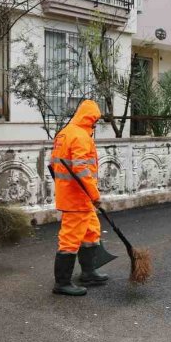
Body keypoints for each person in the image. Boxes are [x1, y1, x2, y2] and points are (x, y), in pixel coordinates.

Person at [49, 99, 110, 296]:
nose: (95, 125)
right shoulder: (80, 136)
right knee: (70, 238)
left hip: (74, 195)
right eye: (95, 121)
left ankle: (88, 272)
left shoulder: (65, 133)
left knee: (91, 232)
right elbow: (81, 169)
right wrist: (94, 194)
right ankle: (62, 283)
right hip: (78, 197)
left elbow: (53, 164)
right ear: (90, 119)